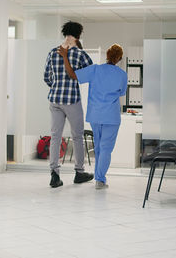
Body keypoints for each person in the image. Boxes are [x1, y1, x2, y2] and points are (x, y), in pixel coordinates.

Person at [58, 44, 127, 189]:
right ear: (119, 58)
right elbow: (121, 93)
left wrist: (65, 56)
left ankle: (99, 178)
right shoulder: (122, 74)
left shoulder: (95, 69)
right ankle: (100, 180)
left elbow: (73, 75)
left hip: (96, 115)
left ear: (107, 55)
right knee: (106, 148)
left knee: (99, 148)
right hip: (111, 116)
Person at [43, 21, 94, 188]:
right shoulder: (79, 54)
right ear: (78, 35)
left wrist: (58, 87)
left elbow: (46, 78)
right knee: (77, 136)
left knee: (55, 136)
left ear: (65, 33)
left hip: (55, 99)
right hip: (71, 99)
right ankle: (79, 172)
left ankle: (54, 175)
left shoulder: (52, 52)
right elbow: (90, 71)